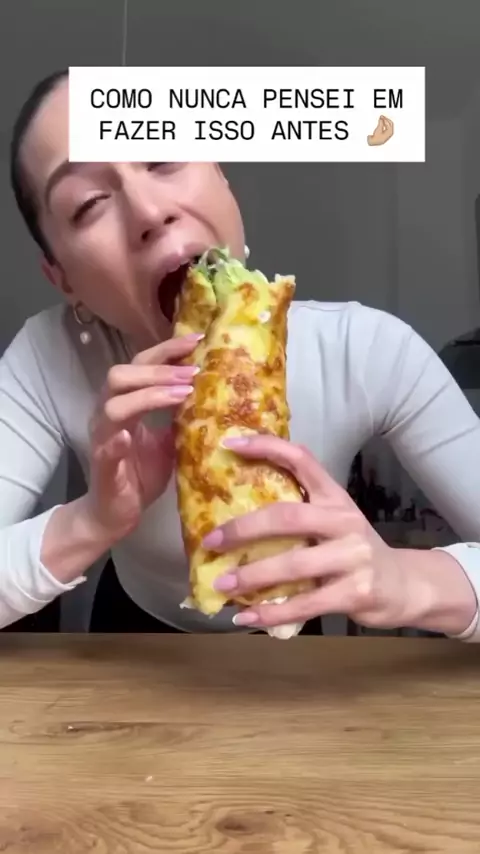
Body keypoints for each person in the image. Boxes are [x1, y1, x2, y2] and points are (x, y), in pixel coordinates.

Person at [2, 67, 480, 642]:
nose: (150, 212)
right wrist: (91, 520)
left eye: (162, 157)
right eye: (89, 203)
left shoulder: (370, 349)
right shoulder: (47, 356)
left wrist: (408, 579)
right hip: (132, 637)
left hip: (292, 642)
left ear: (220, 177)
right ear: (63, 279)